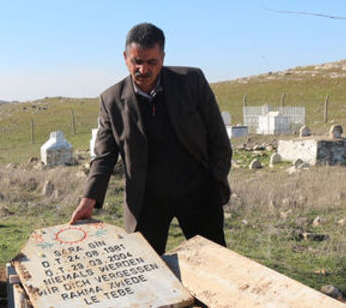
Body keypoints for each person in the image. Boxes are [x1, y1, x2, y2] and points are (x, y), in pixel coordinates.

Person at [69, 22, 232, 254]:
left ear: (163, 58)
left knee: (214, 265)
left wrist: (214, 181)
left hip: (198, 193)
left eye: (151, 62)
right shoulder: (111, 100)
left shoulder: (191, 82)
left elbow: (218, 137)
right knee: (146, 272)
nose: (143, 70)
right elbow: (104, 156)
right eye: (137, 62)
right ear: (125, 58)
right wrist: (89, 199)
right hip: (146, 200)